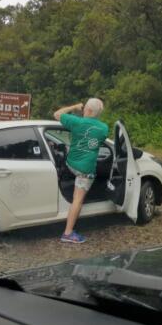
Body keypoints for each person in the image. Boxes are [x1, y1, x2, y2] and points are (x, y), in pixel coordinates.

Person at [53, 98, 108, 244]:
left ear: (87, 110)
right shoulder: (103, 128)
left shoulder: (76, 122)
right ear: (98, 113)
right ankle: (68, 233)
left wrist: (74, 106)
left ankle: (69, 230)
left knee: (76, 194)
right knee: (77, 200)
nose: (83, 110)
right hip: (85, 171)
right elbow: (100, 141)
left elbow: (57, 114)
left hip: (71, 164)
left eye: (84, 109)